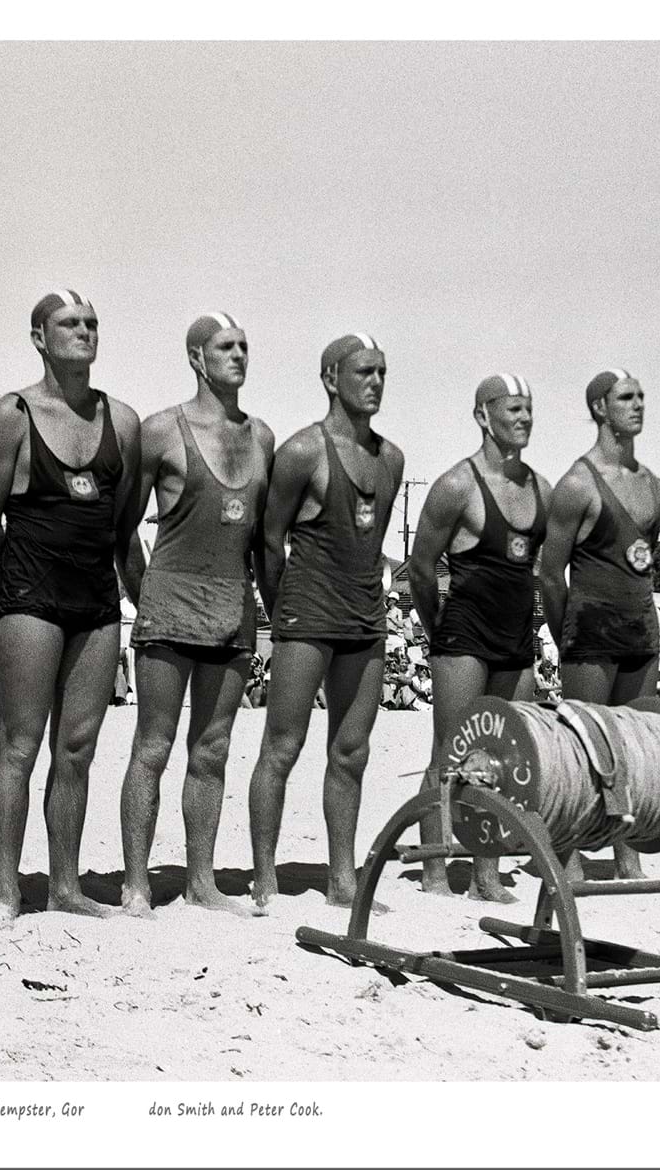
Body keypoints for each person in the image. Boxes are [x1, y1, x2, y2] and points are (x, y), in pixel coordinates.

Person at [0, 288, 143, 926]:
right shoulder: (11, 415)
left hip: (96, 602)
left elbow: (124, 527)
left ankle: (65, 886)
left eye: (91, 323)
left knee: (77, 748)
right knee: (19, 745)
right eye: (69, 324)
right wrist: (10, 594)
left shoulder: (121, 420)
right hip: (30, 599)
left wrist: (139, 597)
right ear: (39, 337)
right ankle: (6, 891)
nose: (84, 332)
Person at [116, 313, 274, 918]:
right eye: (225, 347)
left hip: (232, 609)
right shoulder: (162, 430)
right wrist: (147, 596)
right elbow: (122, 529)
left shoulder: (262, 437)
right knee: (152, 746)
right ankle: (136, 883)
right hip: (169, 607)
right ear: (196, 358)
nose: (238, 356)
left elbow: (263, 541)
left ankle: (201, 882)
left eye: (244, 346)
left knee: (212, 749)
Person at [246, 332, 403, 911]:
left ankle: (343, 881)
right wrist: (283, 607)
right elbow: (268, 539)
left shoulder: (391, 459)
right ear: (331, 378)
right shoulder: (301, 452)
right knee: (282, 746)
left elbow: (370, 541)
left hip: (364, 619)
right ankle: (265, 877)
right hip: (307, 616)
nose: (376, 382)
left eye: (382, 371)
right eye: (364, 371)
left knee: (352, 751)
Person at [405, 373, 548, 902]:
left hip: (516, 639)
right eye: (513, 409)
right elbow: (420, 567)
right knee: (451, 755)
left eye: (529, 409)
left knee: (503, 758)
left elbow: (545, 569)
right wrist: (437, 630)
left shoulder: (542, 489)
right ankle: (434, 871)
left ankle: (485, 877)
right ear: (483, 416)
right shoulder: (456, 486)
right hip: (463, 634)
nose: (524, 418)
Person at [541, 369, 660, 878]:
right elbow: (550, 573)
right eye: (625, 398)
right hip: (590, 630)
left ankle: (627, 857)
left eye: (641, 396)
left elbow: (642, 561)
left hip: (641, 629)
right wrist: (566, 637)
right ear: (599, 407)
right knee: (585, 748)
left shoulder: (655, 487)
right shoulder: (577, 485)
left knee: (633, 747)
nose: (638, 405)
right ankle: (569, 857)